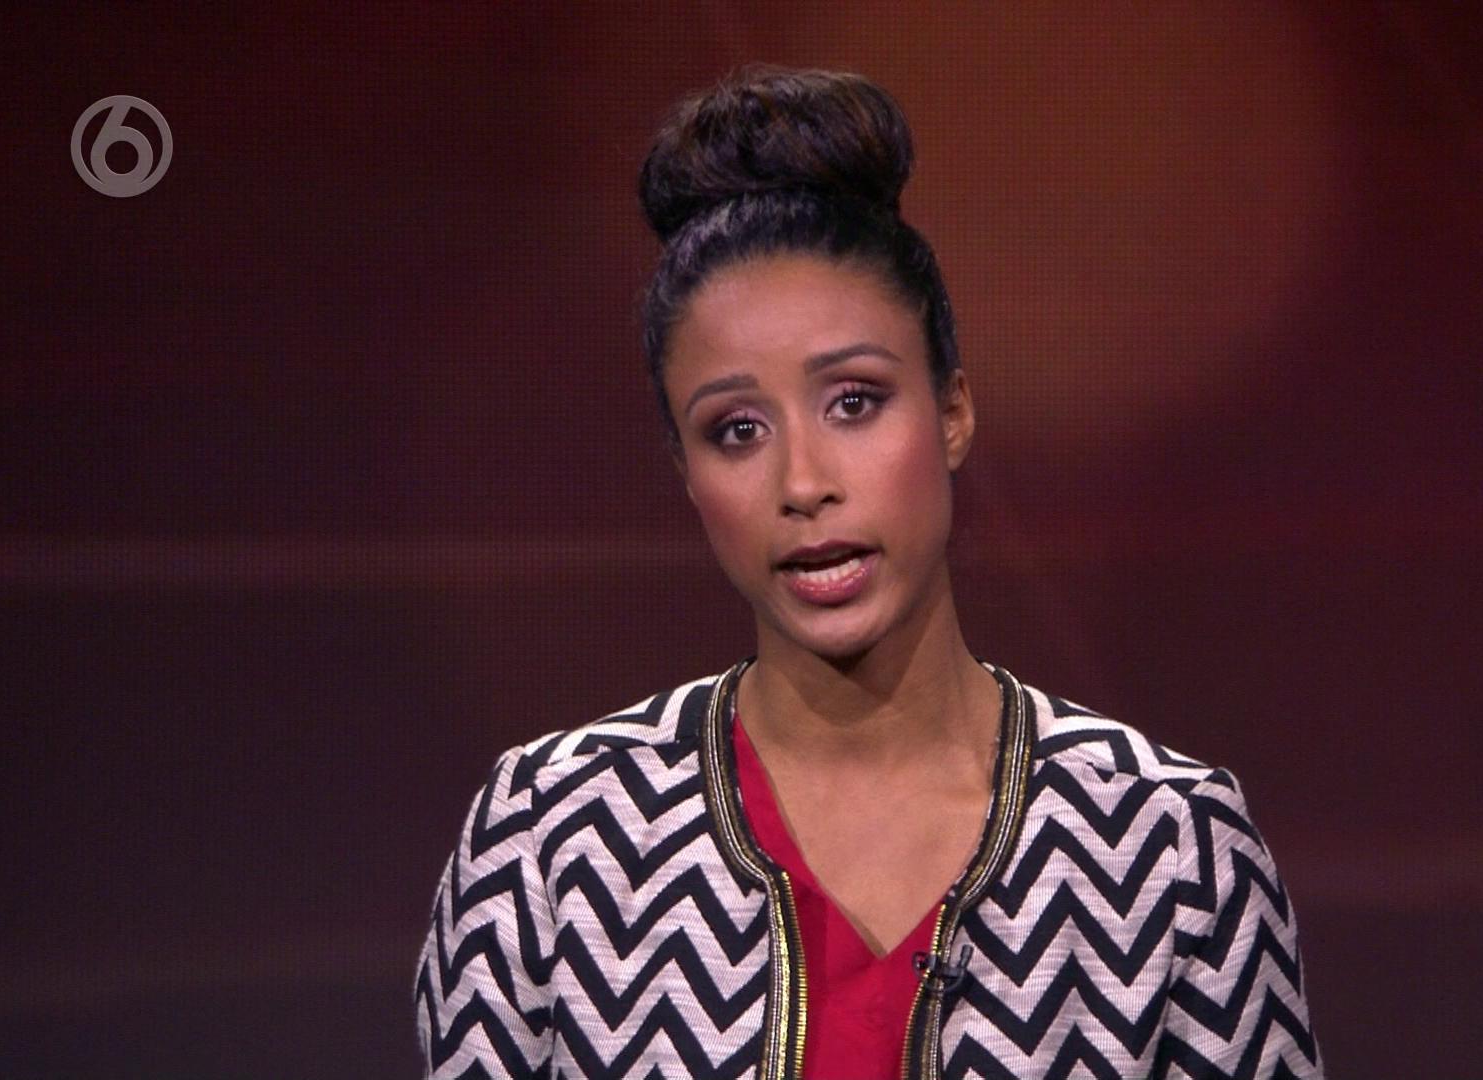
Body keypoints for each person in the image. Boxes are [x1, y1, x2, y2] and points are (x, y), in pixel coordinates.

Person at [415, 65, 1320, 1080]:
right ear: (685, 472)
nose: (803, 483)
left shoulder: (1166, 845)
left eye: (854, 401)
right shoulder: (555, 839)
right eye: (737, 429)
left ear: (953, 411)